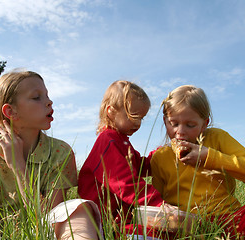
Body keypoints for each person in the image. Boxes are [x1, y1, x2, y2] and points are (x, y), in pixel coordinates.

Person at [0, 70, 102, 239]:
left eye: (47, 95)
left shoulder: (60, 153)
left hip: (42, 234)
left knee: (79, 210)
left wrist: (18, 165)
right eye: (37, 97)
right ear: (11, 112)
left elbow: (50, 219)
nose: (49, 102)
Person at [151, 85, 245, 239]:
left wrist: (210, 157)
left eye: (190, 125)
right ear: (165, 121)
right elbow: (156, 203)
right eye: (174, 123)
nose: (180, 131)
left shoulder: (217, 138)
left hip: (231, 222)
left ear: (205, 123)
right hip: (187, 229)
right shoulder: (160, 157)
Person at [78, 80, 183, 239]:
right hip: (103, 222)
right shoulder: (108, 141)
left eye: (142, 118)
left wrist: (162, 154)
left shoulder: (121, 140)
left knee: (165, 232)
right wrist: (158, 204)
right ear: (111, 111)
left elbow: (140, 166)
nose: (138, 123)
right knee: (154, 235)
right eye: (134, 116)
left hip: (122, 218)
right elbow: (125, 183)